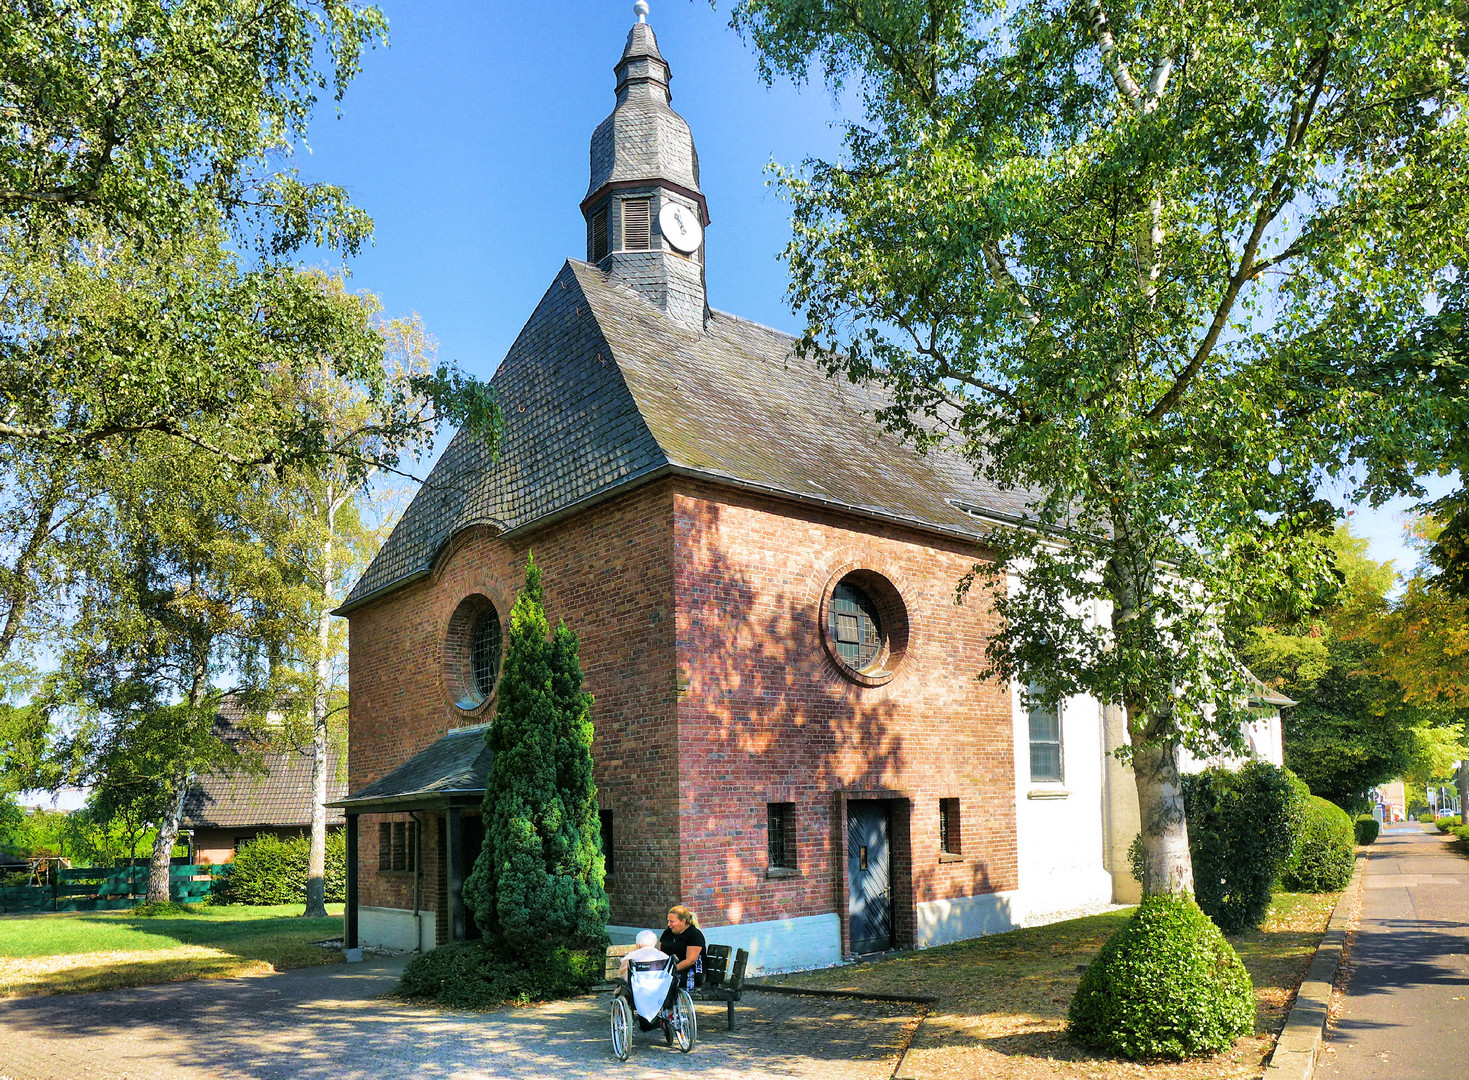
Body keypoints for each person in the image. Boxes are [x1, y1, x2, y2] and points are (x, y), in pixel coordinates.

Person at [659, 905, 705, 990]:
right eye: (668, 921)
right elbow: (659, 952)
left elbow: (690, 961)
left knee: (662, 982)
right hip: (670, 971)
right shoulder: (667, 933)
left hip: (691, 974)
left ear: (683, 921)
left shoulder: (694, 935)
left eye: (672, 922)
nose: (669, 924)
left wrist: (670, 970)